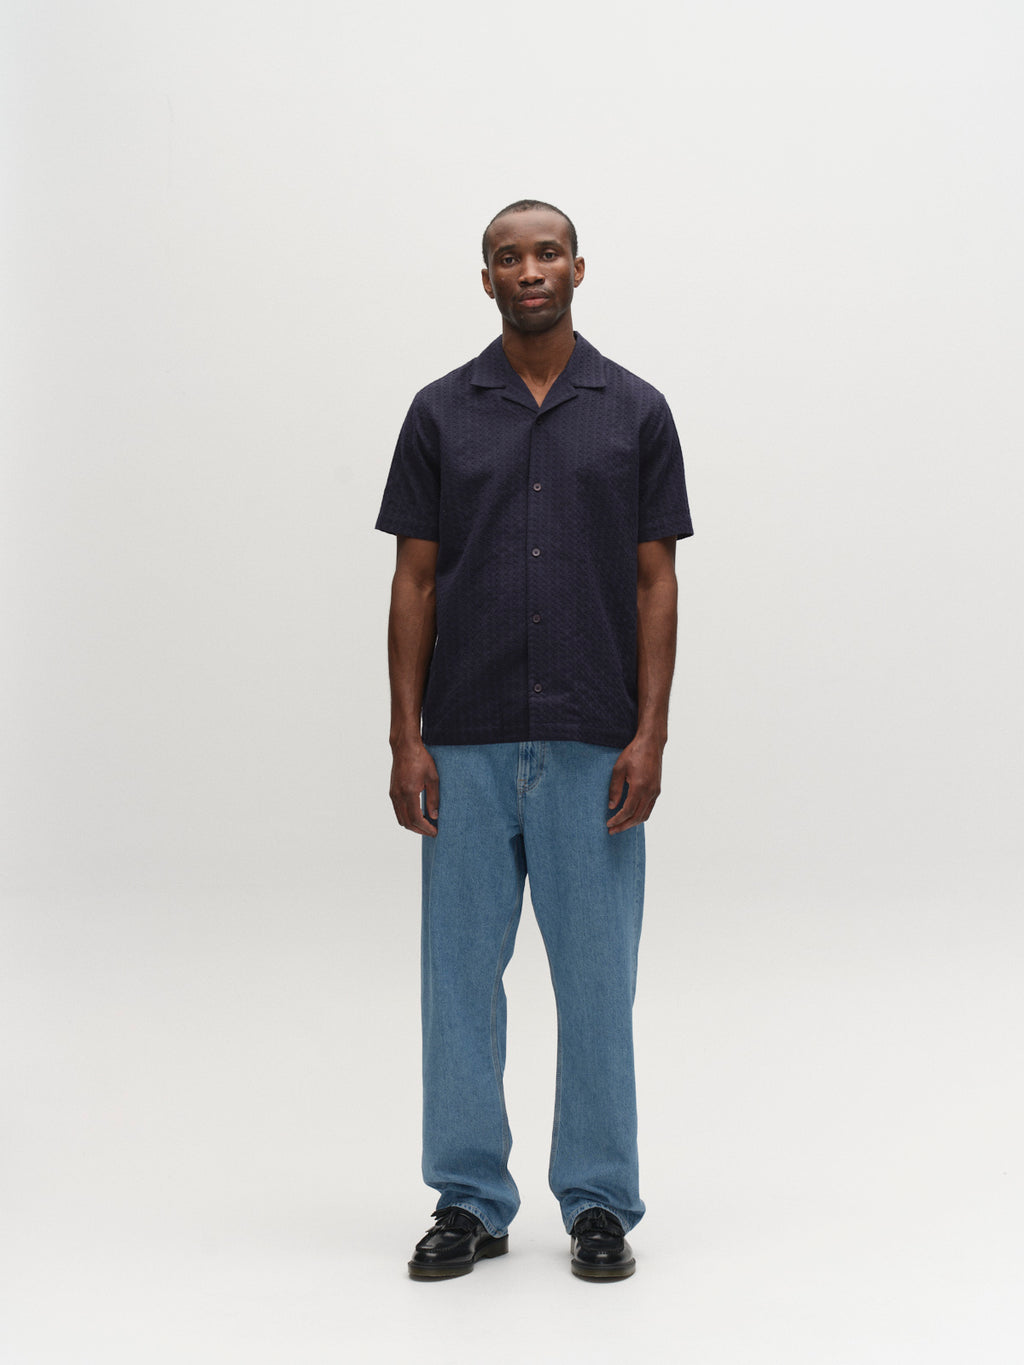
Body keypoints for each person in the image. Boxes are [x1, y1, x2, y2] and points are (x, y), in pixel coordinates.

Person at [376, 199, 693, 1281]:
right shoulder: (437, 412)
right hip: (459, 740)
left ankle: (599, 1201)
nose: (528, 269)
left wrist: (648, 735)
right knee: (459, 977)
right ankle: (468, 1199)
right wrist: (402, 738)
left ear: (578, 267)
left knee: (597, 981)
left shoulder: (636, 411)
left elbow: (657, 582)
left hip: (593, 742)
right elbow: (413, 578)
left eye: (545, 251)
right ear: (486, 280)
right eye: (507, 256)